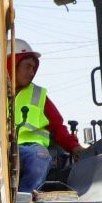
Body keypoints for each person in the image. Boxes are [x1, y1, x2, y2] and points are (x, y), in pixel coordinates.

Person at [10, 39, 83, 193]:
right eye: (27, 67)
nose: (32, 73)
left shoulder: (38, 95)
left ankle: (24, 200)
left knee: (40, 156)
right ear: (11, 64)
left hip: (29, 148)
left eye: (34, 68)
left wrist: (73, 146)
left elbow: (58, 126)